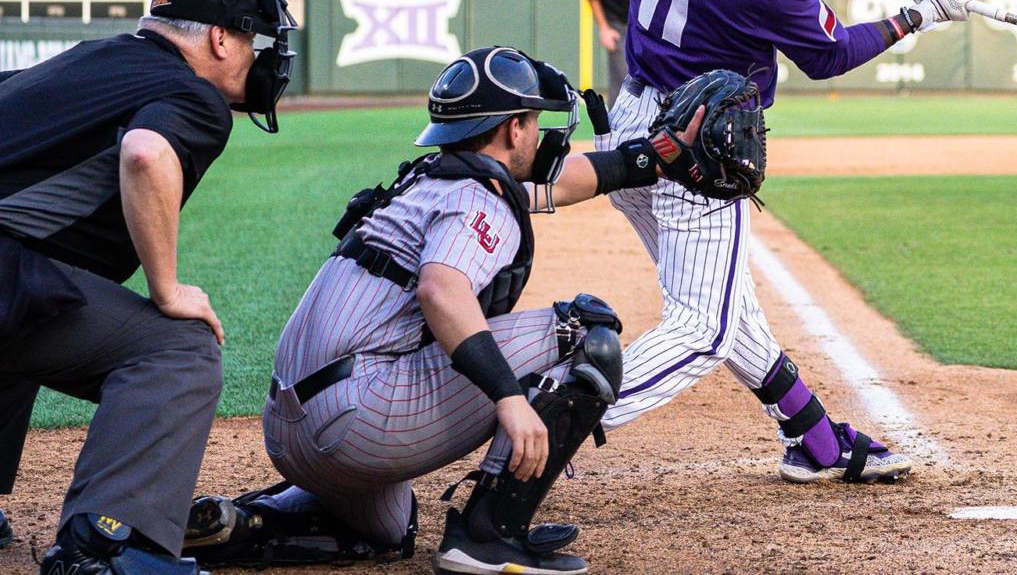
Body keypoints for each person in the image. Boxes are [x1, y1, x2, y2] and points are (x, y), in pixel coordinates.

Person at [183, 46, 707, 575]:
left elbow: (559, 182)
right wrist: (509, 397)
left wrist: (652, 159)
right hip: (354, 421)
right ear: (511, 130)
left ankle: (246, 522)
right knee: (584, 334)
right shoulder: (478, 200)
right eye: (532, 120)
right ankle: (487, 538)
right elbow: (441, 290)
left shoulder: (431, 180)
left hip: (290, 430)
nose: (540, 133)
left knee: (384, 531)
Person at [594, 0, 976, 483]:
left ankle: (815, 440)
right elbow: (829, 56)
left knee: (725, 307)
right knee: (700, 329)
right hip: (697, 154)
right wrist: (916, 17)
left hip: (632, 130)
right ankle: (541, 418)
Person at [0, 0, 297, 574]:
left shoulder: (88, 58)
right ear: (219, 38)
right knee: (177, 348)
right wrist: (167, 288)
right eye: (250, 39)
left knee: (39, 293)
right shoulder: (193, 94)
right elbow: (144, 152)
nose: (257, 54)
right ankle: (110, 547)